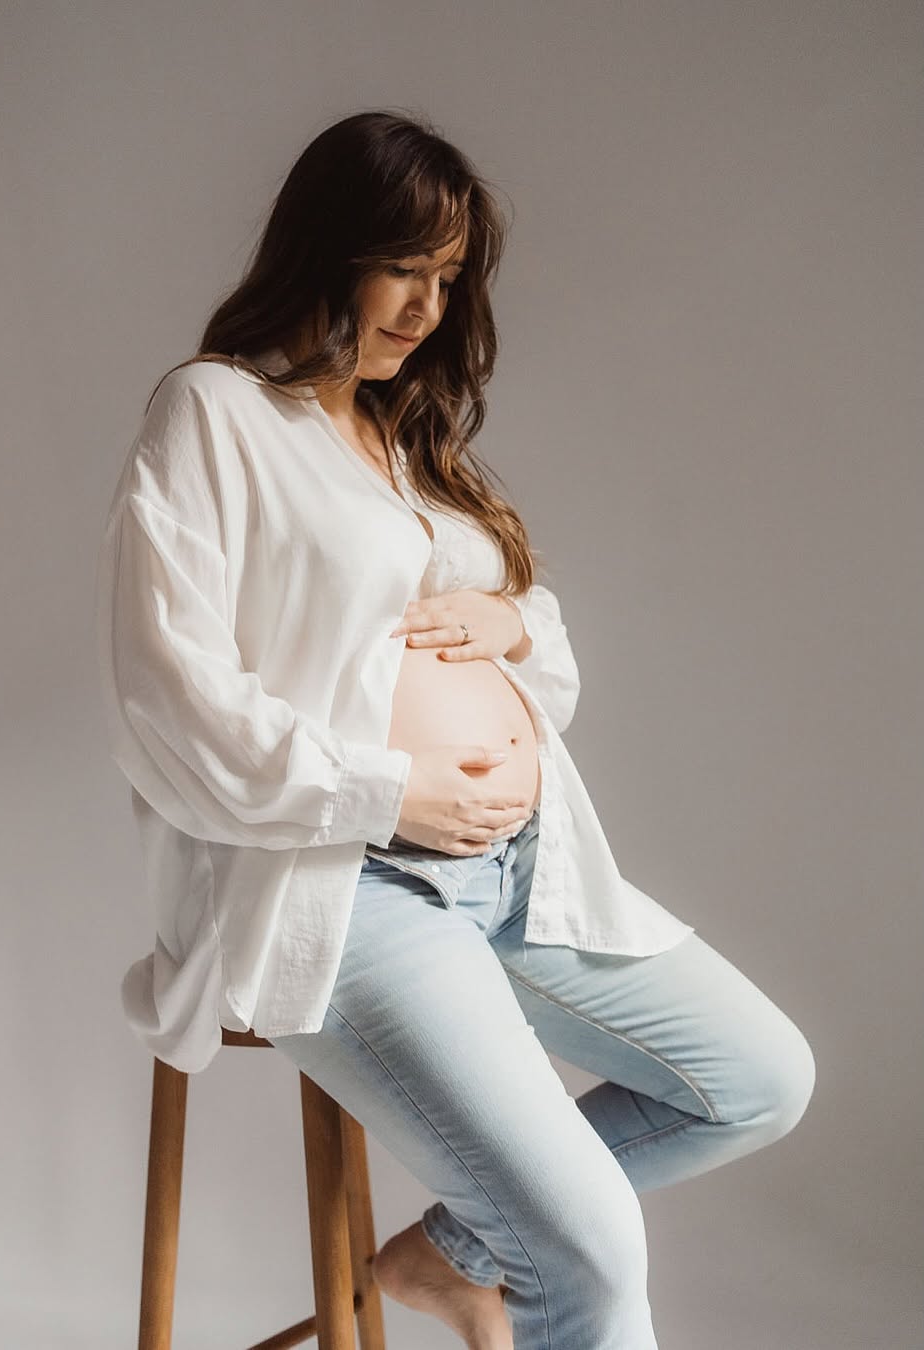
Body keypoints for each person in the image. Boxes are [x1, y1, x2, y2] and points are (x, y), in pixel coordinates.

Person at [94, 109, 816, 1350]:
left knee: (760, 1080)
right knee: (590, 1250)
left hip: (526, 873)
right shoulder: (216, 413)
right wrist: (387, 793)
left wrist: (521, 626)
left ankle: (446, 1259)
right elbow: (170, 696)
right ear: (324, 251)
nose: (426, 308)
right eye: (402, 268)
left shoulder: (411, 440)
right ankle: (503, 1254)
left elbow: (543, 670)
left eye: (448, 277)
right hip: (352, 885)